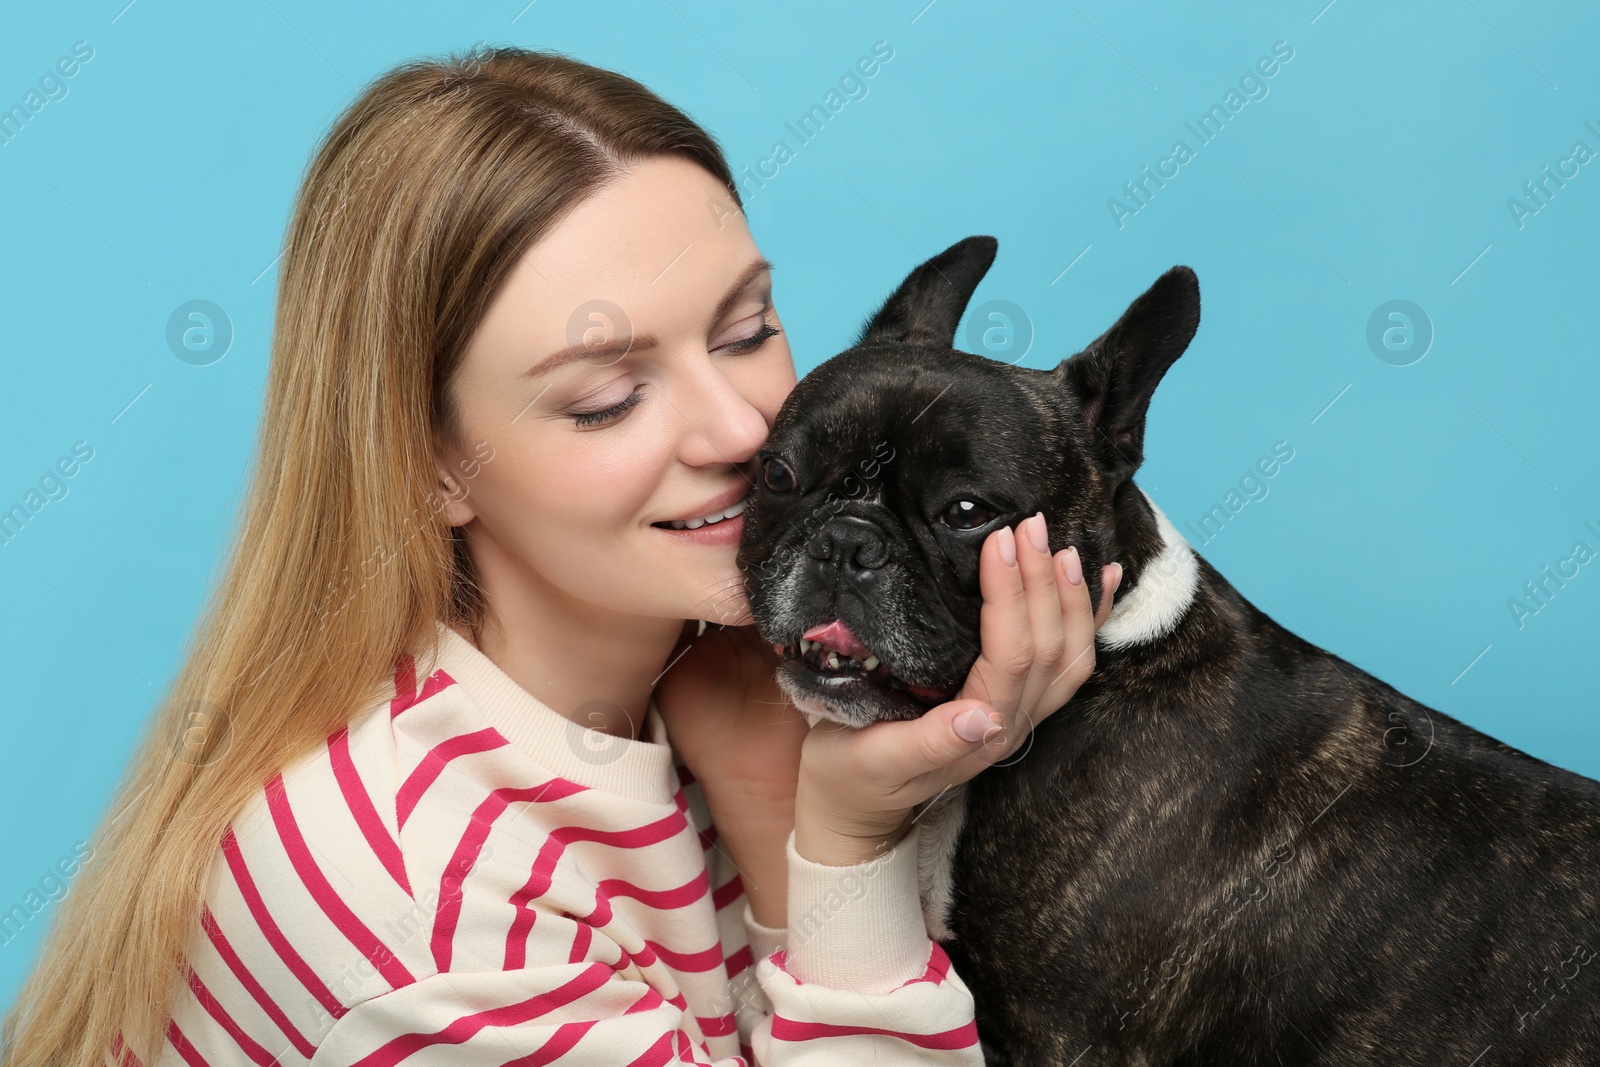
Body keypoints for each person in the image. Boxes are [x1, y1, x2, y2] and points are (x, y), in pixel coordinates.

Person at [0, 45, 1121, 1066]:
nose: (740, 429)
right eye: (607, 398)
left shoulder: (728, 678)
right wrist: (839, 842)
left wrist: (766, 798)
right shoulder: (417, 901)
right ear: (430, 464)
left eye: (747, 330)